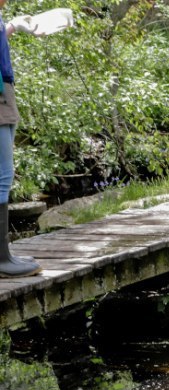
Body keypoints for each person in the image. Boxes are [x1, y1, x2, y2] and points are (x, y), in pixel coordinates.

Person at [0, 0, 42, 278]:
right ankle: (2, 260)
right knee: (3, 176)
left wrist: (12, 26)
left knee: (4, 174)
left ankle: (4, 256)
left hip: (5, 91)